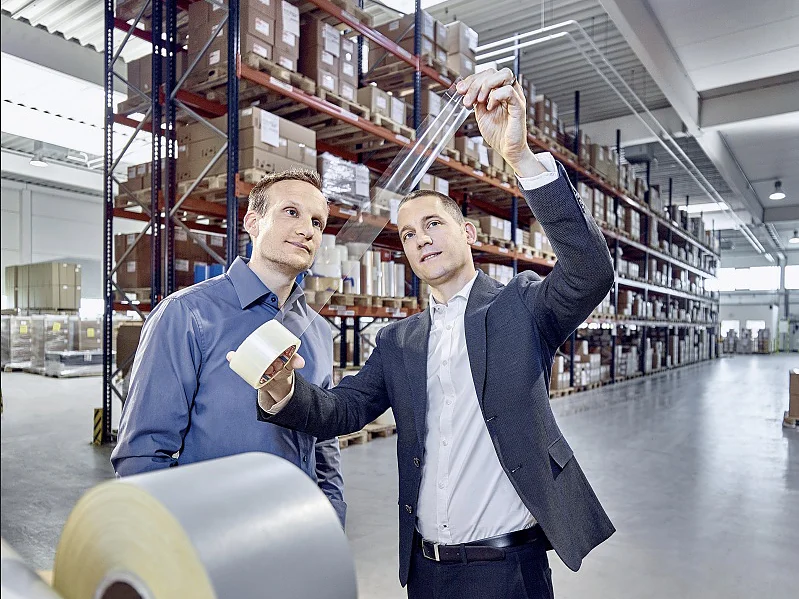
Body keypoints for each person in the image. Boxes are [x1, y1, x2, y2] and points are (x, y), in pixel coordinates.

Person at [250, 68, 615, 598]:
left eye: (433, 224)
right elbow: (344, 411)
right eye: (406, 234)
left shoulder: (521, 307)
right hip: (426, 571)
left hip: (509, 569)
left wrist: (520, 158)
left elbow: (589, 272)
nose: (419, 239)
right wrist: (283, 392)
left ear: (467, 233)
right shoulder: (399, 342)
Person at [111, 169, 346, 526]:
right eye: (291, 212)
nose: (307, 229)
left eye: (317, 221)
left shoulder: (317, 330)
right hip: (213, 536)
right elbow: (143, 453)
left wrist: (332, 516)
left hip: (300, 533)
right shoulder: (187, 314)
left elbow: (324, 441)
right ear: (253, 222)